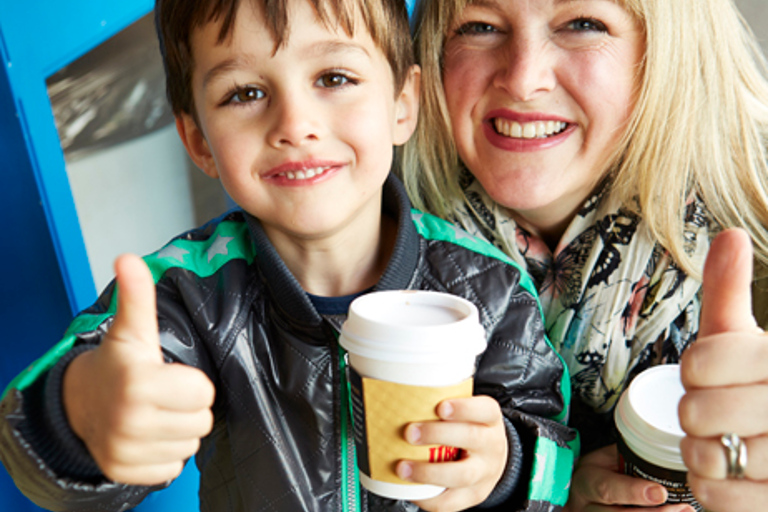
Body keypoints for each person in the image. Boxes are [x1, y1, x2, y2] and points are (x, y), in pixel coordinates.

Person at [0, 0, 576, 511]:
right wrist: (83, 413)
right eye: (245, 93)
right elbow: (33, 447)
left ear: (402, 104)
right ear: (199, 140)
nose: (295, 125)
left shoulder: (489, 287)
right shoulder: (187, 295)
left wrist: (507, 469)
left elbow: (554, 455)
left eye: (333, 76)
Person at [401, 0, 768, 511]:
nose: (523, 79)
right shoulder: (363, 260)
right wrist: (548, 489)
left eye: (583, 24)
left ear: (670, 53)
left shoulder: (759, 257)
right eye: (480, 26)